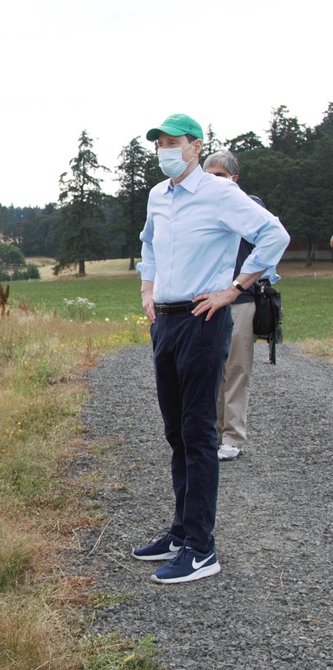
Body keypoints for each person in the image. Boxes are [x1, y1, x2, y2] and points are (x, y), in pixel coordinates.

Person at [133, 113, 289, 584]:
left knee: (199, 432)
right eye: (159, 142)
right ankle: (181, 533)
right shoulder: (158, 196)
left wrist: (234, 289)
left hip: (205, 317)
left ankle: (202, 548)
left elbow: (273, 234)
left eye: (173, 142)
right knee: (175, 432)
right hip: (166, 319)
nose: (164, 149)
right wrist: (147, 290)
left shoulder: (221, 193)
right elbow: (150, 245)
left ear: (196, 146)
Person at [203, 150, 277, 461]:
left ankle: (232, 437)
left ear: (234, 180)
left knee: (235, 369)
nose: (212, 182)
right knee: (208, 370)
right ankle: (213, 432)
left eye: (219, 176)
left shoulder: (250, 206)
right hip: (205, 300)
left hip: (240, 299)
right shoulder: (200, 210)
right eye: (208, 176)